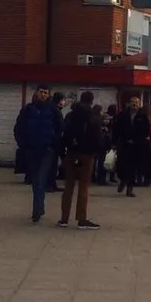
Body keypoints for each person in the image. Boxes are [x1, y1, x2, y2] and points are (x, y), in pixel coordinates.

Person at [14, 84, 64, 223]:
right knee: (35, 179)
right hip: (31, 149)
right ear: (36, 93)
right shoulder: (28, 110)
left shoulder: (53, 111)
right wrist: (23, 144)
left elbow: (60, 129)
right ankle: (38, 207)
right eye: (41, 92)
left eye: (46, 93)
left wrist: (53, 145)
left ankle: (37, 209)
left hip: (46, 150)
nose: (43, 95)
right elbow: (19, 128)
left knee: (40, 179)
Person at [58, 91, 102, 230]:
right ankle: (81, 219)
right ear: (91, 101)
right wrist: (95, 151)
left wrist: (64, 152)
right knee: (83, 186)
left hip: (71, 153)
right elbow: (97, 138)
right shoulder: (93, 117)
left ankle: (64, 218)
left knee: (68, 186)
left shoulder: (71, 115)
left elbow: (63, 134)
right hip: (86, 155)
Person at [112, 96, 151, 197]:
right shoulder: (123, 115)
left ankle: (130, 188)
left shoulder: (142, 116)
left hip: (136, 146)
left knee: (133, 168)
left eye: (137, 102)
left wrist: (137, 140)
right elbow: (116, 129)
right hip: (124, 144)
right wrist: (115, 142)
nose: (134, 104)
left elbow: (146, 130)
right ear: (129, 103)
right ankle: (123, 180)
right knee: (121, 165)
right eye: (133, 102)